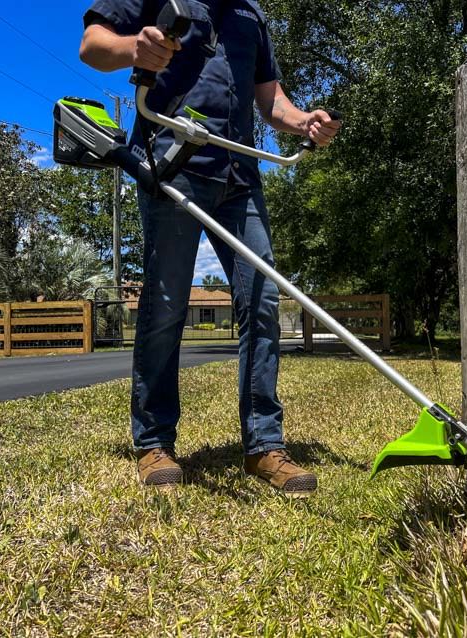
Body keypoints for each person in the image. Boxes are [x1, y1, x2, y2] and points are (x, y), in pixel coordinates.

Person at [80, 0, 340, 497]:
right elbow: (93, 46)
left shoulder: (251, 16)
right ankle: (154, 441)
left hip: (240, 175)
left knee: (261, 302)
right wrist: (134, 48)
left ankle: (263, 445)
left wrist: (304, 121)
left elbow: (271, 101)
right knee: (166, 307)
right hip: (173, 163)